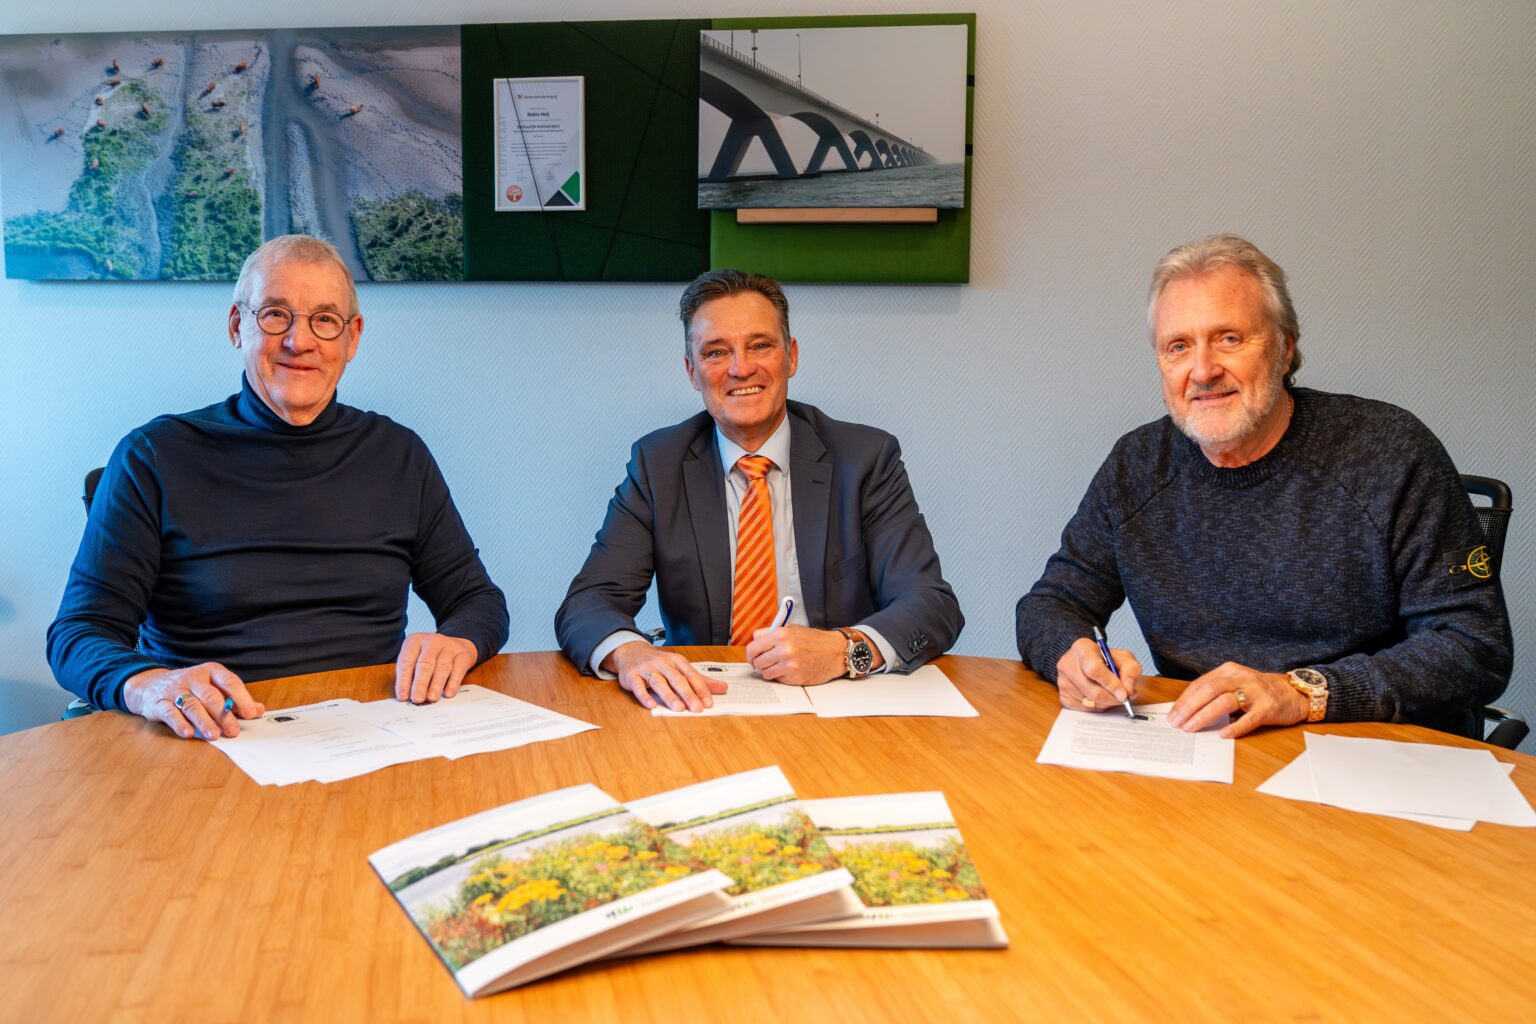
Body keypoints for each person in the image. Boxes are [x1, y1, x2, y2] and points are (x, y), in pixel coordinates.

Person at [1016, 233, 1510, 739]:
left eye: (1229, 338)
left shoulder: (1390, 452)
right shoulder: (1137, 465)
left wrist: (1299, 693)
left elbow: (1474, 646)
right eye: (1178, 346)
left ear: (1284, 348)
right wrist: (1070, 655)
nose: (1203, 370)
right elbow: (1051, 603)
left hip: (1371, 746)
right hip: (1208, 747)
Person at [48, 235, 509, 740]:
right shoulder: (153, 456)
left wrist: (456, 642)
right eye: (275, 315)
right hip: (217, 736)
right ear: (236, 326)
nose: (299, 341)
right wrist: (150, 685)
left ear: (352, 338)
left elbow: (477, 600)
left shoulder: (399, 454)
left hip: (373, 732)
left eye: (325, 320)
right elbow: (79, 632)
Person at [556, 269, 963, 712]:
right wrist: (631, 653)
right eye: (716, 352)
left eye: (760, 345)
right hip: (705, 704)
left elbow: (931, 605)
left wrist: (844, 649)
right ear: (692, 372)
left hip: (838, 704)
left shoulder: (865, 458)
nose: (740, 368)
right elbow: (588, 603)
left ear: (791, 357)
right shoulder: (659, 464)